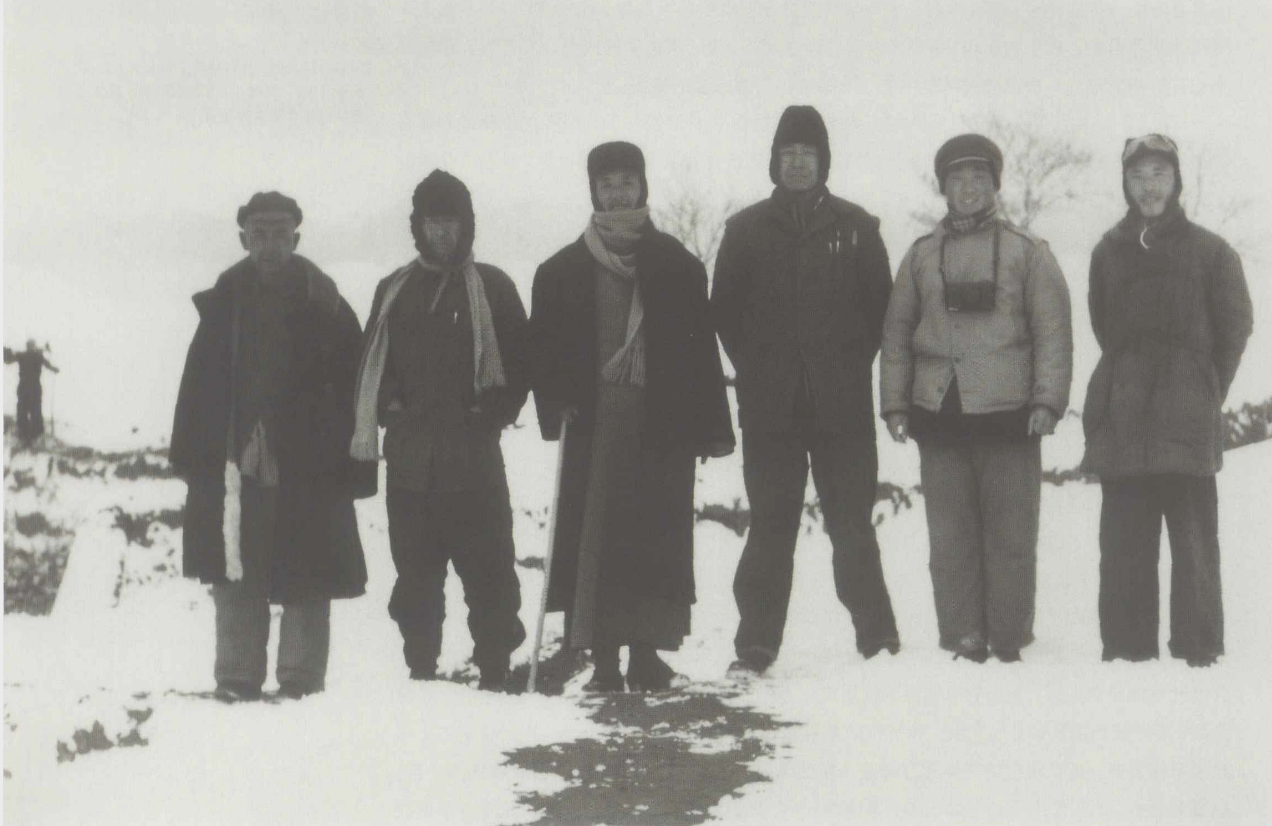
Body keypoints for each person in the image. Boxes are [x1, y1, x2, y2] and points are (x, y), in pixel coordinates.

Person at [530, 141, 734, 692]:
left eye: (627, 181)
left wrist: (710, 426)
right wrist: (556, 402)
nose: (617, 192)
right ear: (592, 190)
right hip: (596, 426)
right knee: (596, 539)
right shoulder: (561, 272)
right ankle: (603, 662)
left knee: (654, 541)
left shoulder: (677, 265)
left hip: (658, 424)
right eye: (607, 183)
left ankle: (647, 655)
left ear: (644, 187)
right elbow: (542, 352)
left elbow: (700, 351)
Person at [711, 106, 899, 674]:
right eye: (788, 155)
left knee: (852, 526)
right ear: (774, 160)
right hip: (770, 410)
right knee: (770, 527)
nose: (797, 165)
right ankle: (757, 643)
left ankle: (877, 639)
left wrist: (838, 366)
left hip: (841, 409)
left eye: (807, 155)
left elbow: (880, 313)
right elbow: (724, 312)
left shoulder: (857, 228)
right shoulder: (744, 230)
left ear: (823, 162)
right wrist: (765, 370)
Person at [171, 191, 374, 701]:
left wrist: (347, 456)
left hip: (309, 464)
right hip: (236, 463)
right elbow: (198, 384)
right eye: (258, 234)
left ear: (296, 238)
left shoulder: (325, 303)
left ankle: (300, 679)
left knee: (308, 567)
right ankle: (237, 675)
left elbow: (355, 383)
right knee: (238, 563)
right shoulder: (223, 303)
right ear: (243, 239)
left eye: (279, 233)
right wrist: (198, 459)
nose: (268, 244)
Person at [880, 134, 1073, 663]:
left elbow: (1052, 330)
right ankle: (962, 633)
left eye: (979, 177)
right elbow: (897, 333)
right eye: (958, 177)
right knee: (951, 536)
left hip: (1010, 416)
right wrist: (895, 404)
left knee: (1011, 532)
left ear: (994, 184)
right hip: (940, 411)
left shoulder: (1027, 253)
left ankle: (1009, 634)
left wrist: (1047, 401)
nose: (969, 187)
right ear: (943, 186)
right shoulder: (920, 256)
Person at [352, 170, 529, 690]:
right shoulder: (394, 290)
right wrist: (392, 406)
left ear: (467, 226)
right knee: (416, 580)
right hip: (410, 469)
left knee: (491, 575)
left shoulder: (492, 287)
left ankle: (495, 669)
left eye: (451, 222)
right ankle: (421, 669)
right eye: (433, 222)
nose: (442, 233)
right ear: (418, 227)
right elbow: (369, 365)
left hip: (475, 466)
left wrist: (491, 414)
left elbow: (520, 364)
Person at [1081, 134, 1252, 667]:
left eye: (1158, 173)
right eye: (1138, 175)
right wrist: (1132, 380)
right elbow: (1103, 323)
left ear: (1176, 180)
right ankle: (1128, 652)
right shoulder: (1108, 250)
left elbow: (1236, 326)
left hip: (1187, 418)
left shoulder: (1211, 251)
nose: (1148, 185)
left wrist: (1203, 386)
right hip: (1126, 415)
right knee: (1124, 542)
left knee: (1194, 544)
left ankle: (1199, 651)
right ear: (1125, 183)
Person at [4, 340, 59, 444]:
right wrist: (55, 369)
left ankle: (23, 434)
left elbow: (7, 360)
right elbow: (49, 366)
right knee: (36, 410)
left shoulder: (22, 355)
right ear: (33, 346)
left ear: (27, 346)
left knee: (22, 410)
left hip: (23, 387)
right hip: (35, 388)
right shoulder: (38, 356)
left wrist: (5, 351)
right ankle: (36, 435)